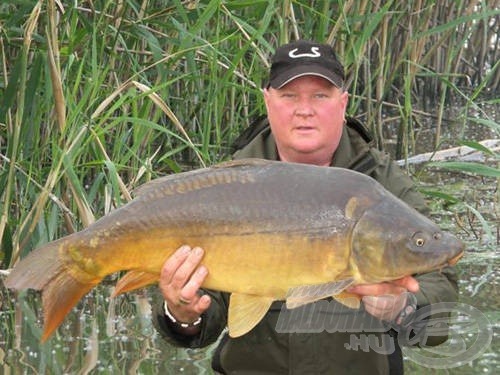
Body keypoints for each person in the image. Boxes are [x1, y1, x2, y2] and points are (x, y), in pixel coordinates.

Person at [151, 40, 459, 374]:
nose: (304, 109)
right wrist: (182, 314)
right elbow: (204, 320)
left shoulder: (380, 182)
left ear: (343, 103)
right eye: (289, 96)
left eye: (319, 96)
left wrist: (402, 307)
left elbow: (439, 288)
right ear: (268, 101)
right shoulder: (232, 186)